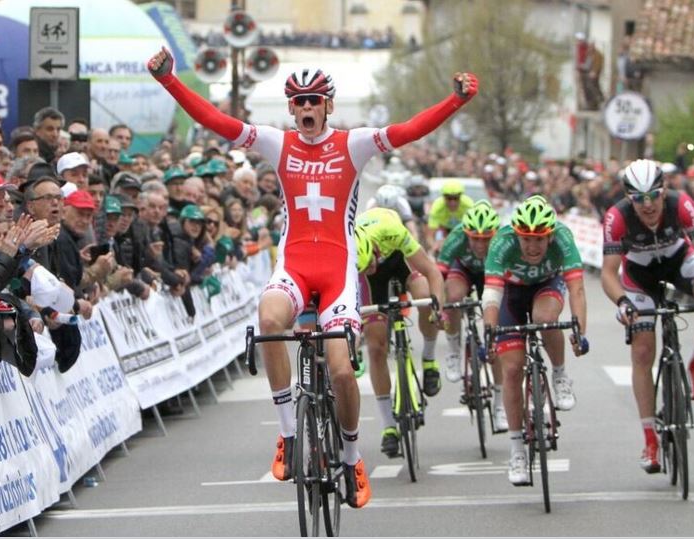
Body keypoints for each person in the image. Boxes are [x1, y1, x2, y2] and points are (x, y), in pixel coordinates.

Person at [148, 45, 477, 509]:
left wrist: (455, 102)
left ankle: (350, 457)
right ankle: (287, 435)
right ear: (291, 107)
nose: (305, 107)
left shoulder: (354, 143)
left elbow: (406, 131)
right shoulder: (275, 143)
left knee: (343, 372)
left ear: (328, 105)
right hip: (295, 265)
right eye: (298, 100)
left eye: (313, 99)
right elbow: (217, 122)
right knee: (269, 319)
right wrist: (170, 81)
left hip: (339, 271)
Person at [600, 159, 694, 474]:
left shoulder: (681, 204)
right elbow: (608, 272)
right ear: (629, 197)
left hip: (678, 260)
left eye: (654, 195)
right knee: (643, 350)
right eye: (639, 198)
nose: (648, 204)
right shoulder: (616, 217)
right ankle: (650, 440)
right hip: (638, 275)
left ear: (664, 190)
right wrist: (622, 302)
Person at [481, 195, 588, 486]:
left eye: (539, 240)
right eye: (526, 239)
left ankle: (559, 374)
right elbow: (491, 294)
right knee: (512, 369)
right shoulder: (502, 242)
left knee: (545, 319)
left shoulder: (563, 239)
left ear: (550, 236)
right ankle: (517, 451)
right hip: (511, 296)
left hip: (546, 286)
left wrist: (580, 331)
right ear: (517, 234)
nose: (532, 246)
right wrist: (489, 333)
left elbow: (577, 289)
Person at [353, 207, 444, 458]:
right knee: (376, 346)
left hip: (398, 260)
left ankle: (428, 360)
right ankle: (388, 427)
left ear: (373, 249)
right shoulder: (353, 258)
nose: (369, 267)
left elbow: (432, 271)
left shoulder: (391, 231)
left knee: (425, 298)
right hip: (373, 285)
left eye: (369, 262)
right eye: (363, 267)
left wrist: (438, 309)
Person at [437, 201, 507, 429]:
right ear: (466, 234)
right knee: (453, 296)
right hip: (463, 270)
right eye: (474, 238)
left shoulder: (504, 241)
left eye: (486, 238)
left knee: (494, 343)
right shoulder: (456, 238)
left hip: (491, 274)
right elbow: (439, 273)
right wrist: (440, 305)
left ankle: (499, 405)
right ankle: (454, 351)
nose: (480, 243)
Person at [426, 180, 474, 253]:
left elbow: (474, 229)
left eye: (456, 198)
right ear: (444, 197)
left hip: (463, 229)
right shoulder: (437, 207)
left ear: (460, 197)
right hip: (444, 229)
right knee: (438, 243)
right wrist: (434, 247)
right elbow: (430, 235)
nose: (452, 203)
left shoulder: (468, 205)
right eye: (449, 198)